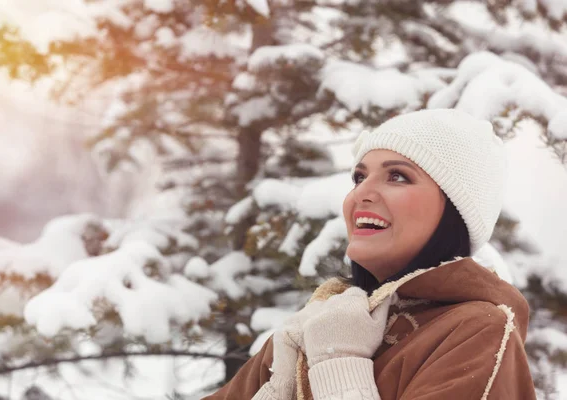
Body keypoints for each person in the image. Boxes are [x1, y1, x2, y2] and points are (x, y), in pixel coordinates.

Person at [204, 109, 537, 399]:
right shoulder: (315, 325)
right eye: (359, 177)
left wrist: (340, 362)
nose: (361, 192)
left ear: (454, 211)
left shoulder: (477, 331)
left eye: (397, 176)